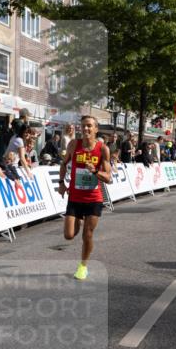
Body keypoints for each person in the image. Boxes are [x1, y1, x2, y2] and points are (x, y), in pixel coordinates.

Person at [58, 116, 112, 280]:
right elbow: (63, 164)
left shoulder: (103, 149)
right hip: (75, 196)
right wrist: (61, 183)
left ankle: (83, 266)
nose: (86, 129)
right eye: (83, 126)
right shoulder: (74, 144)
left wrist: (95, 171)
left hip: (93, 198)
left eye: (89, 126)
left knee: (87, 235)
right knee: (68, 235)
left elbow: (108, 178)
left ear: (96, 129)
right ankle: (78, 220)